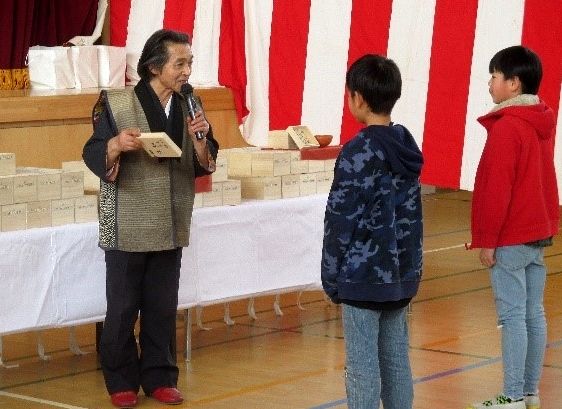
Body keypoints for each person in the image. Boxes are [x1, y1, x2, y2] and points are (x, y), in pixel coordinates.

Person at [83, 29, 218, 408]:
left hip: (171, 216)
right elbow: (93, 151)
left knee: (162, 304)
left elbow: (208, 161)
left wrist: (199, 140)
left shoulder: (191, 104)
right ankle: (120, 379)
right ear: (154, 66)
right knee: (123, 306)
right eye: (180, 63)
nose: (187, 71)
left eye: (189, 62)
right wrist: (115, 145)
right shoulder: (117, 102)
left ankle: (160, 375)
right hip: (126, 217)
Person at [321, 54, 424, 409]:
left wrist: (331, 277)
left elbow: (340, 220)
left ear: (358, 98)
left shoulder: (358, 151)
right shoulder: (407, 146)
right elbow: (414, 217)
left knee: (363, 368)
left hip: (362, 278)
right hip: (400, 276)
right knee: (396, 362)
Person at [467, 46, 559, 409]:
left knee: (512, 316)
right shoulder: (540, 122)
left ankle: (513, 394)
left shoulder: (508, 128)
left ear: (513, 83)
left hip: (511, 235)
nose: (490, 83)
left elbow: (496, 189)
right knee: (533, 312)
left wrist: (486, 240)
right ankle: (530, 391)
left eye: (494, 76)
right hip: (537, 231)